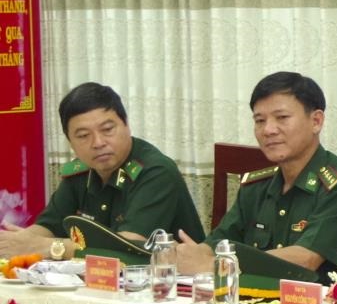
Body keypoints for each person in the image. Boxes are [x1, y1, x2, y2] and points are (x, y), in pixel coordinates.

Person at [177, 72, 337, 278]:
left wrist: (218, 266)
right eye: (260, 120)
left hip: (316, 297)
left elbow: (306, 259)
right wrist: (188, 255)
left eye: (282, 118)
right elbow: (218, 241)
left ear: (316, 121)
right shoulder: (255, 186)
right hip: (254, 295)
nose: (268, 130)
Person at [0, 82, 205, 260]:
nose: (98, 143)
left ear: (127, 125)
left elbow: (126, 249)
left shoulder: (156, 172)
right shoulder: (80, 171)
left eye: (107, 130)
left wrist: (49, 247)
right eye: (83, 136)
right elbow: (48, 227)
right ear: (70, 142)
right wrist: (18, 241)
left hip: (168, 284)